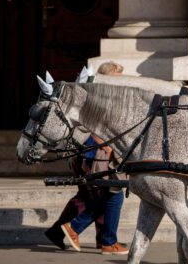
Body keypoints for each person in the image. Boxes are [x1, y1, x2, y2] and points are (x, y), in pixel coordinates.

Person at [43, 61, 128, 255]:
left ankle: (92, 237)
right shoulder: (95, 98)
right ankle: (95, 237)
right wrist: (104, 145)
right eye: (116, 77)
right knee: (103, 196)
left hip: (93, 154)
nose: (119, 82)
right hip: (92, 155)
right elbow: (85, 126)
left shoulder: (106, 98)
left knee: (92, 196)